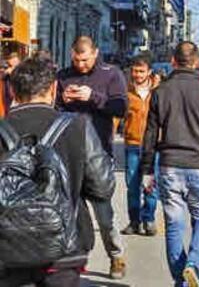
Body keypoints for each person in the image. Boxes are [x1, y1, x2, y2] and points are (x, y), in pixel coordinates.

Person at [0, 57, 115, 287]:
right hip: (64, 248)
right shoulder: (78, 126)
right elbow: (103, 187)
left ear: (12, 90)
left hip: (7, 247)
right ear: (53, 89)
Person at [142, 41, 199, 287]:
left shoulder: (160, 91)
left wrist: (147, 170)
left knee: (173, 225)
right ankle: (193, 265)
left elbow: (150, 135)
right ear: (198, 61)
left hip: (169, 166)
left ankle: (181, 281)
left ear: (173, 61)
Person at [56, 36, 127, 280]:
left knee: (104, 213)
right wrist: (61, 100)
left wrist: (93, 96)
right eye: (76, 60)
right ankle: (76, 261)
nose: (81, 65)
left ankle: (116, 255)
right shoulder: (63, 76)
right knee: (70, 212)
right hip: (67, 153)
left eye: (85, 60)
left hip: (98, 155)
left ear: (95, 53)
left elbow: (120, 108)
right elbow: (51, 109)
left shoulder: (111, 74)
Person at [122, 56, 160, 237]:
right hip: (132, 144)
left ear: (149, 72)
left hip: (152, 147)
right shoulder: (126, 92)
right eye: (135, 71)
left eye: (141, 71)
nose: (137, 75)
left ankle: (149, 219)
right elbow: (117, 116)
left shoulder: (158, 91)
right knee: (132, 185)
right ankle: (134, 221)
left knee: (150, 185)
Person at [0, 49, 20, 115]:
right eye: (12, 60)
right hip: (7, 97)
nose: (14, 62)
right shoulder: (5, 69)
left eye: (15, 61)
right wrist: (6, 72)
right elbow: (1, 76)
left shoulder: (21, 69)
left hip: (18, 96)